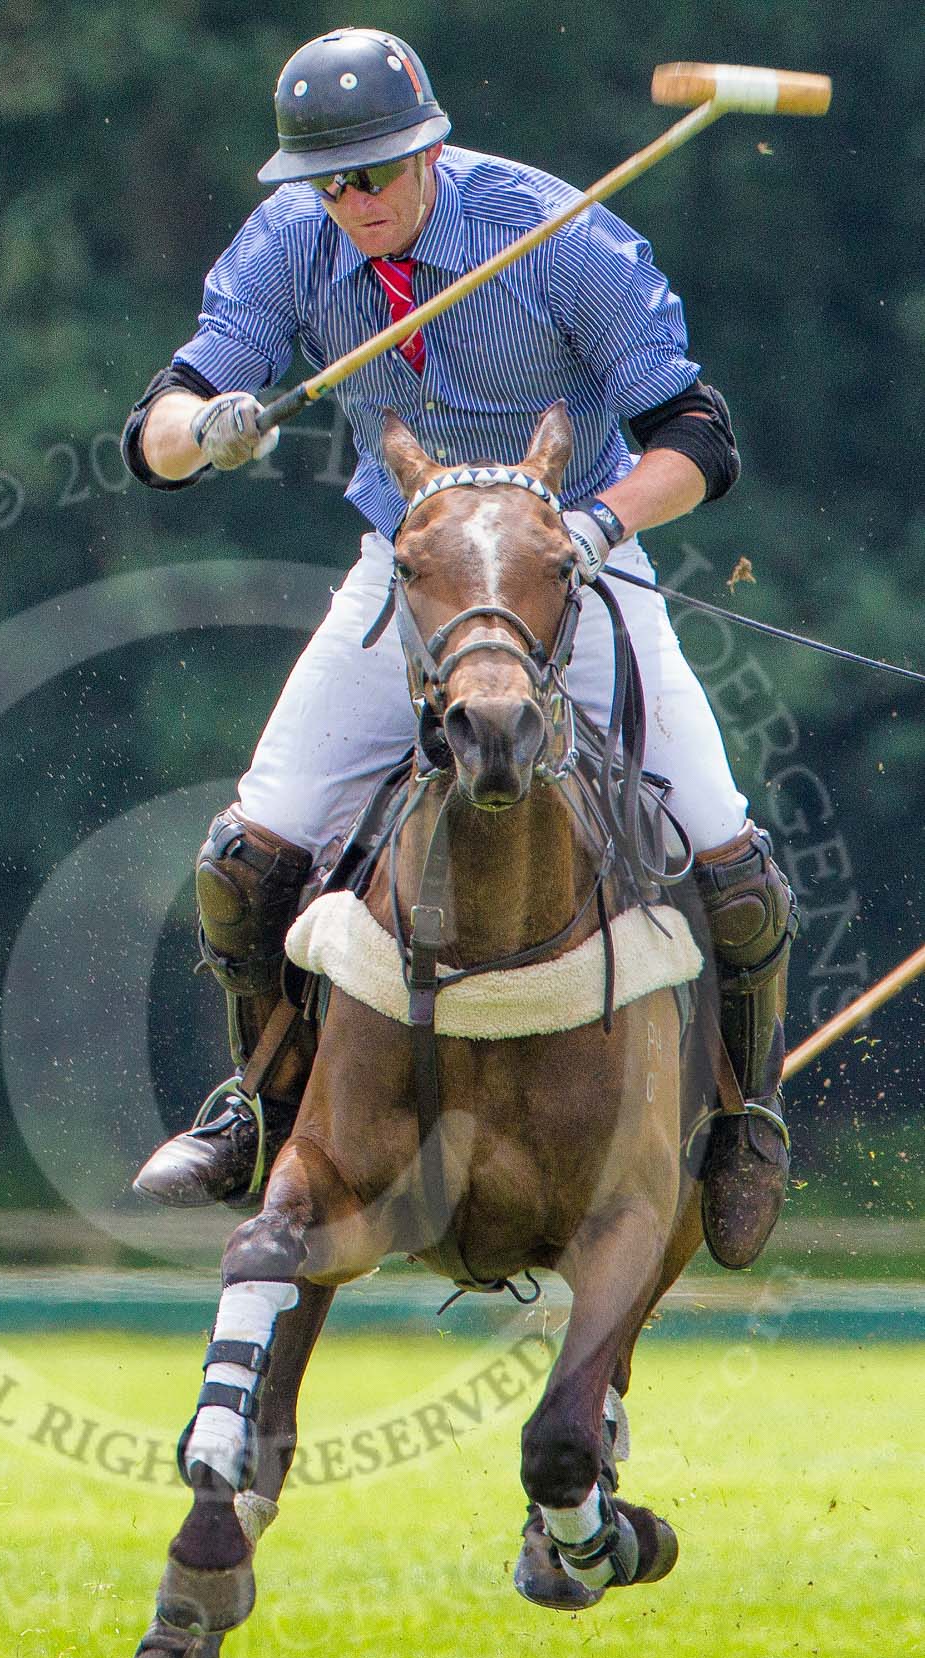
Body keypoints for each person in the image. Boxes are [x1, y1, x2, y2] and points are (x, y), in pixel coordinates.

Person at [120, 27, 795, 1271]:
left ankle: (743, 1126)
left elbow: (698, 437)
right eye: (329, 182)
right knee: (243, 858)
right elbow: (156, 422)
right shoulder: (291, 244)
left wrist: (593, 525)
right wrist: (203, 427)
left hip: (573, 564)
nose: (354, 202)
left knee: (731, 862)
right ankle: (260, 1105)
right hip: (413, 573)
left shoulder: (560, 234)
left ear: (430, 147)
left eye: (374, 174)